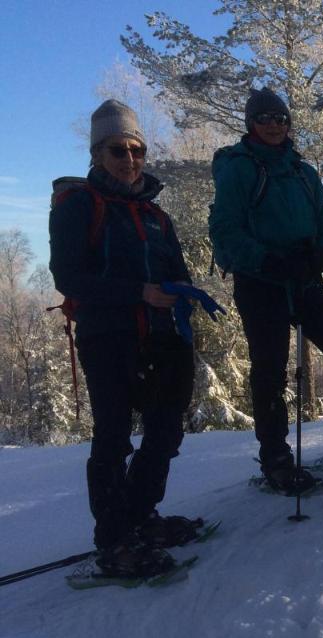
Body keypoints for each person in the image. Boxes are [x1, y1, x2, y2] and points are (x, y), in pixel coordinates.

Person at [209, 88, 323, 493]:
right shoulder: (238, 169)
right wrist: (268, 260)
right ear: (251, 123)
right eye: (265, 118)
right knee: (270, 371)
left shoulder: (302, 171)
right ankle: (275, 458)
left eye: (280, 118)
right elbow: (224, 230)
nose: (274, 125)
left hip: (305, 280)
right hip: (261, 284)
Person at [49, 99, 204, 577]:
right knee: (114, 436)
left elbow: (175, 271)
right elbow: (68, 277)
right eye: (118, 149)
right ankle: (114, 540)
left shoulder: (158, 216)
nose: (130, 159)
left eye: (136, 149)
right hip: (107, 336)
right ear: (97, 154)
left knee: (165, 430)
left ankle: (139, 517)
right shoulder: (79, 206)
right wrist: (139, 292)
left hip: (160, 338)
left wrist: (182, 296)